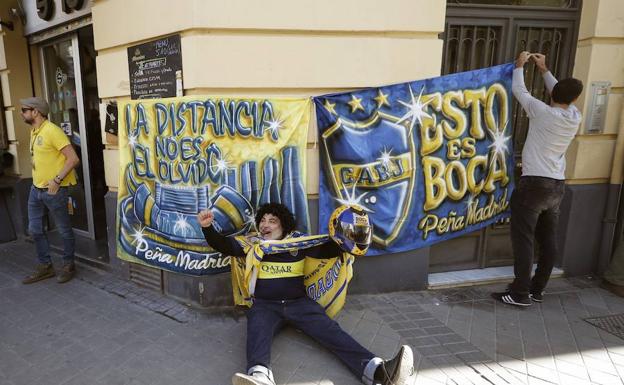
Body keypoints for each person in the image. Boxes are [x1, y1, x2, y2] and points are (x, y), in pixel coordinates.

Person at [197, 202, 414, 385]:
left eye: (272, 220)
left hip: (299, 304)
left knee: (332, 332)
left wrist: (350, 235)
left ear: (284, 224)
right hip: (265, 305)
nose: (265, 224)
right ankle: (259, 376)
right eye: (262, 220)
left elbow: (332, 247)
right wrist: (208, 228)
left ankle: (378, 371)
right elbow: (224, 245)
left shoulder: (299, 243)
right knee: (257, 333)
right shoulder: (251, 245)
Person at [492, 52, 583, 307]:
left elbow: (520, 90)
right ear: (574, 99)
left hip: (533, 185)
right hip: (557, 185)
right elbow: (559, 93)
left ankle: (519, 293)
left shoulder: (542, 112)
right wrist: (543, 69)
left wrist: (520, 66)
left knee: (524, 239)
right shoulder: (575, 116)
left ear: (553, 96)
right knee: (548, 240)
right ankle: (537, 289)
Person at [20, 97, 80, 284]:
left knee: (63, 230)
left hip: (54, 190)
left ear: (36, 112)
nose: (22, 113)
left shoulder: (52, 131)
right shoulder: (35, 131)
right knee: (35, 229)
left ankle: (68, 264)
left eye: (24, 109)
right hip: (35, 189)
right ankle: (46, 266)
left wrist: (57, 180)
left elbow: (73, 159)